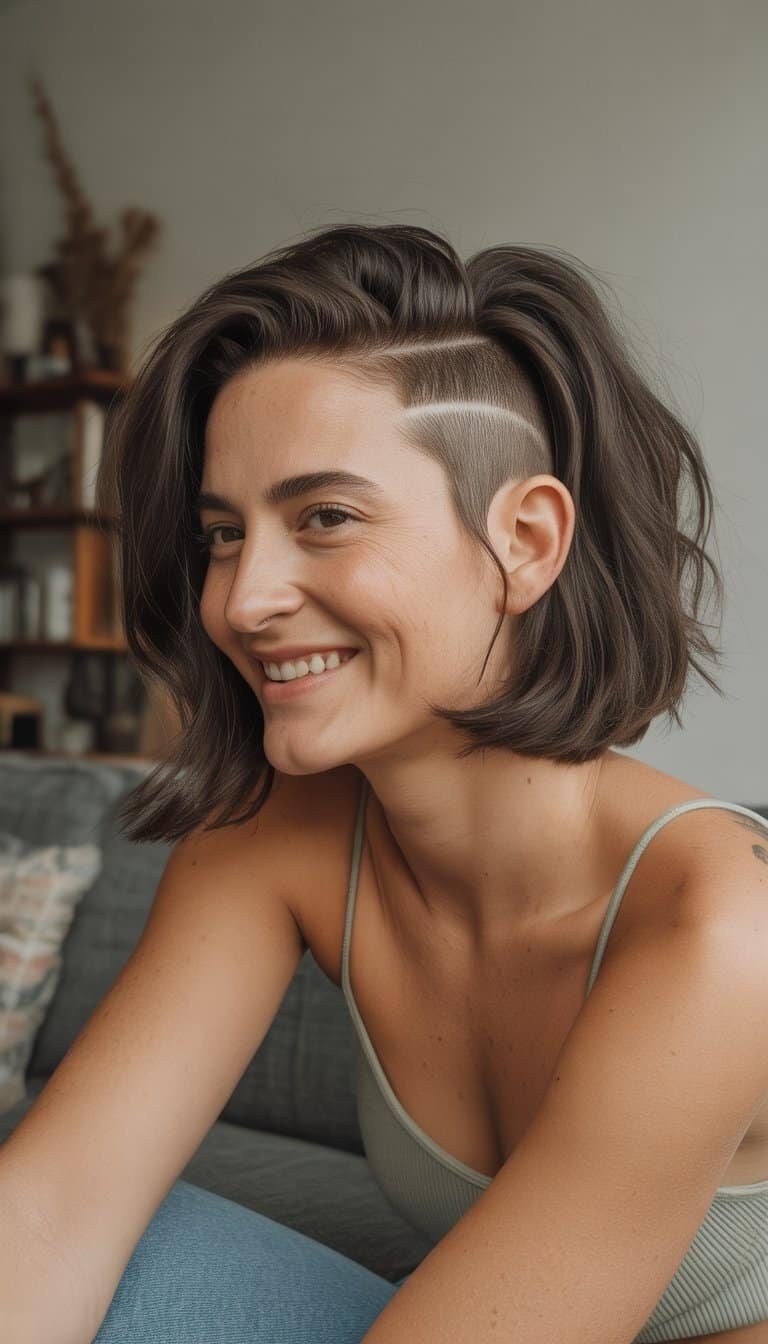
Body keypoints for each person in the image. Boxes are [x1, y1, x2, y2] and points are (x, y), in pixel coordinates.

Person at [2, 223, 766, 1344]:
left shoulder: (723, 928)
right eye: (223, 534)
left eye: (325, 517)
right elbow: (56, 1206)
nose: (244, 599)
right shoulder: (275, 839)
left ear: (528, 540)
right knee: (126, 1249)